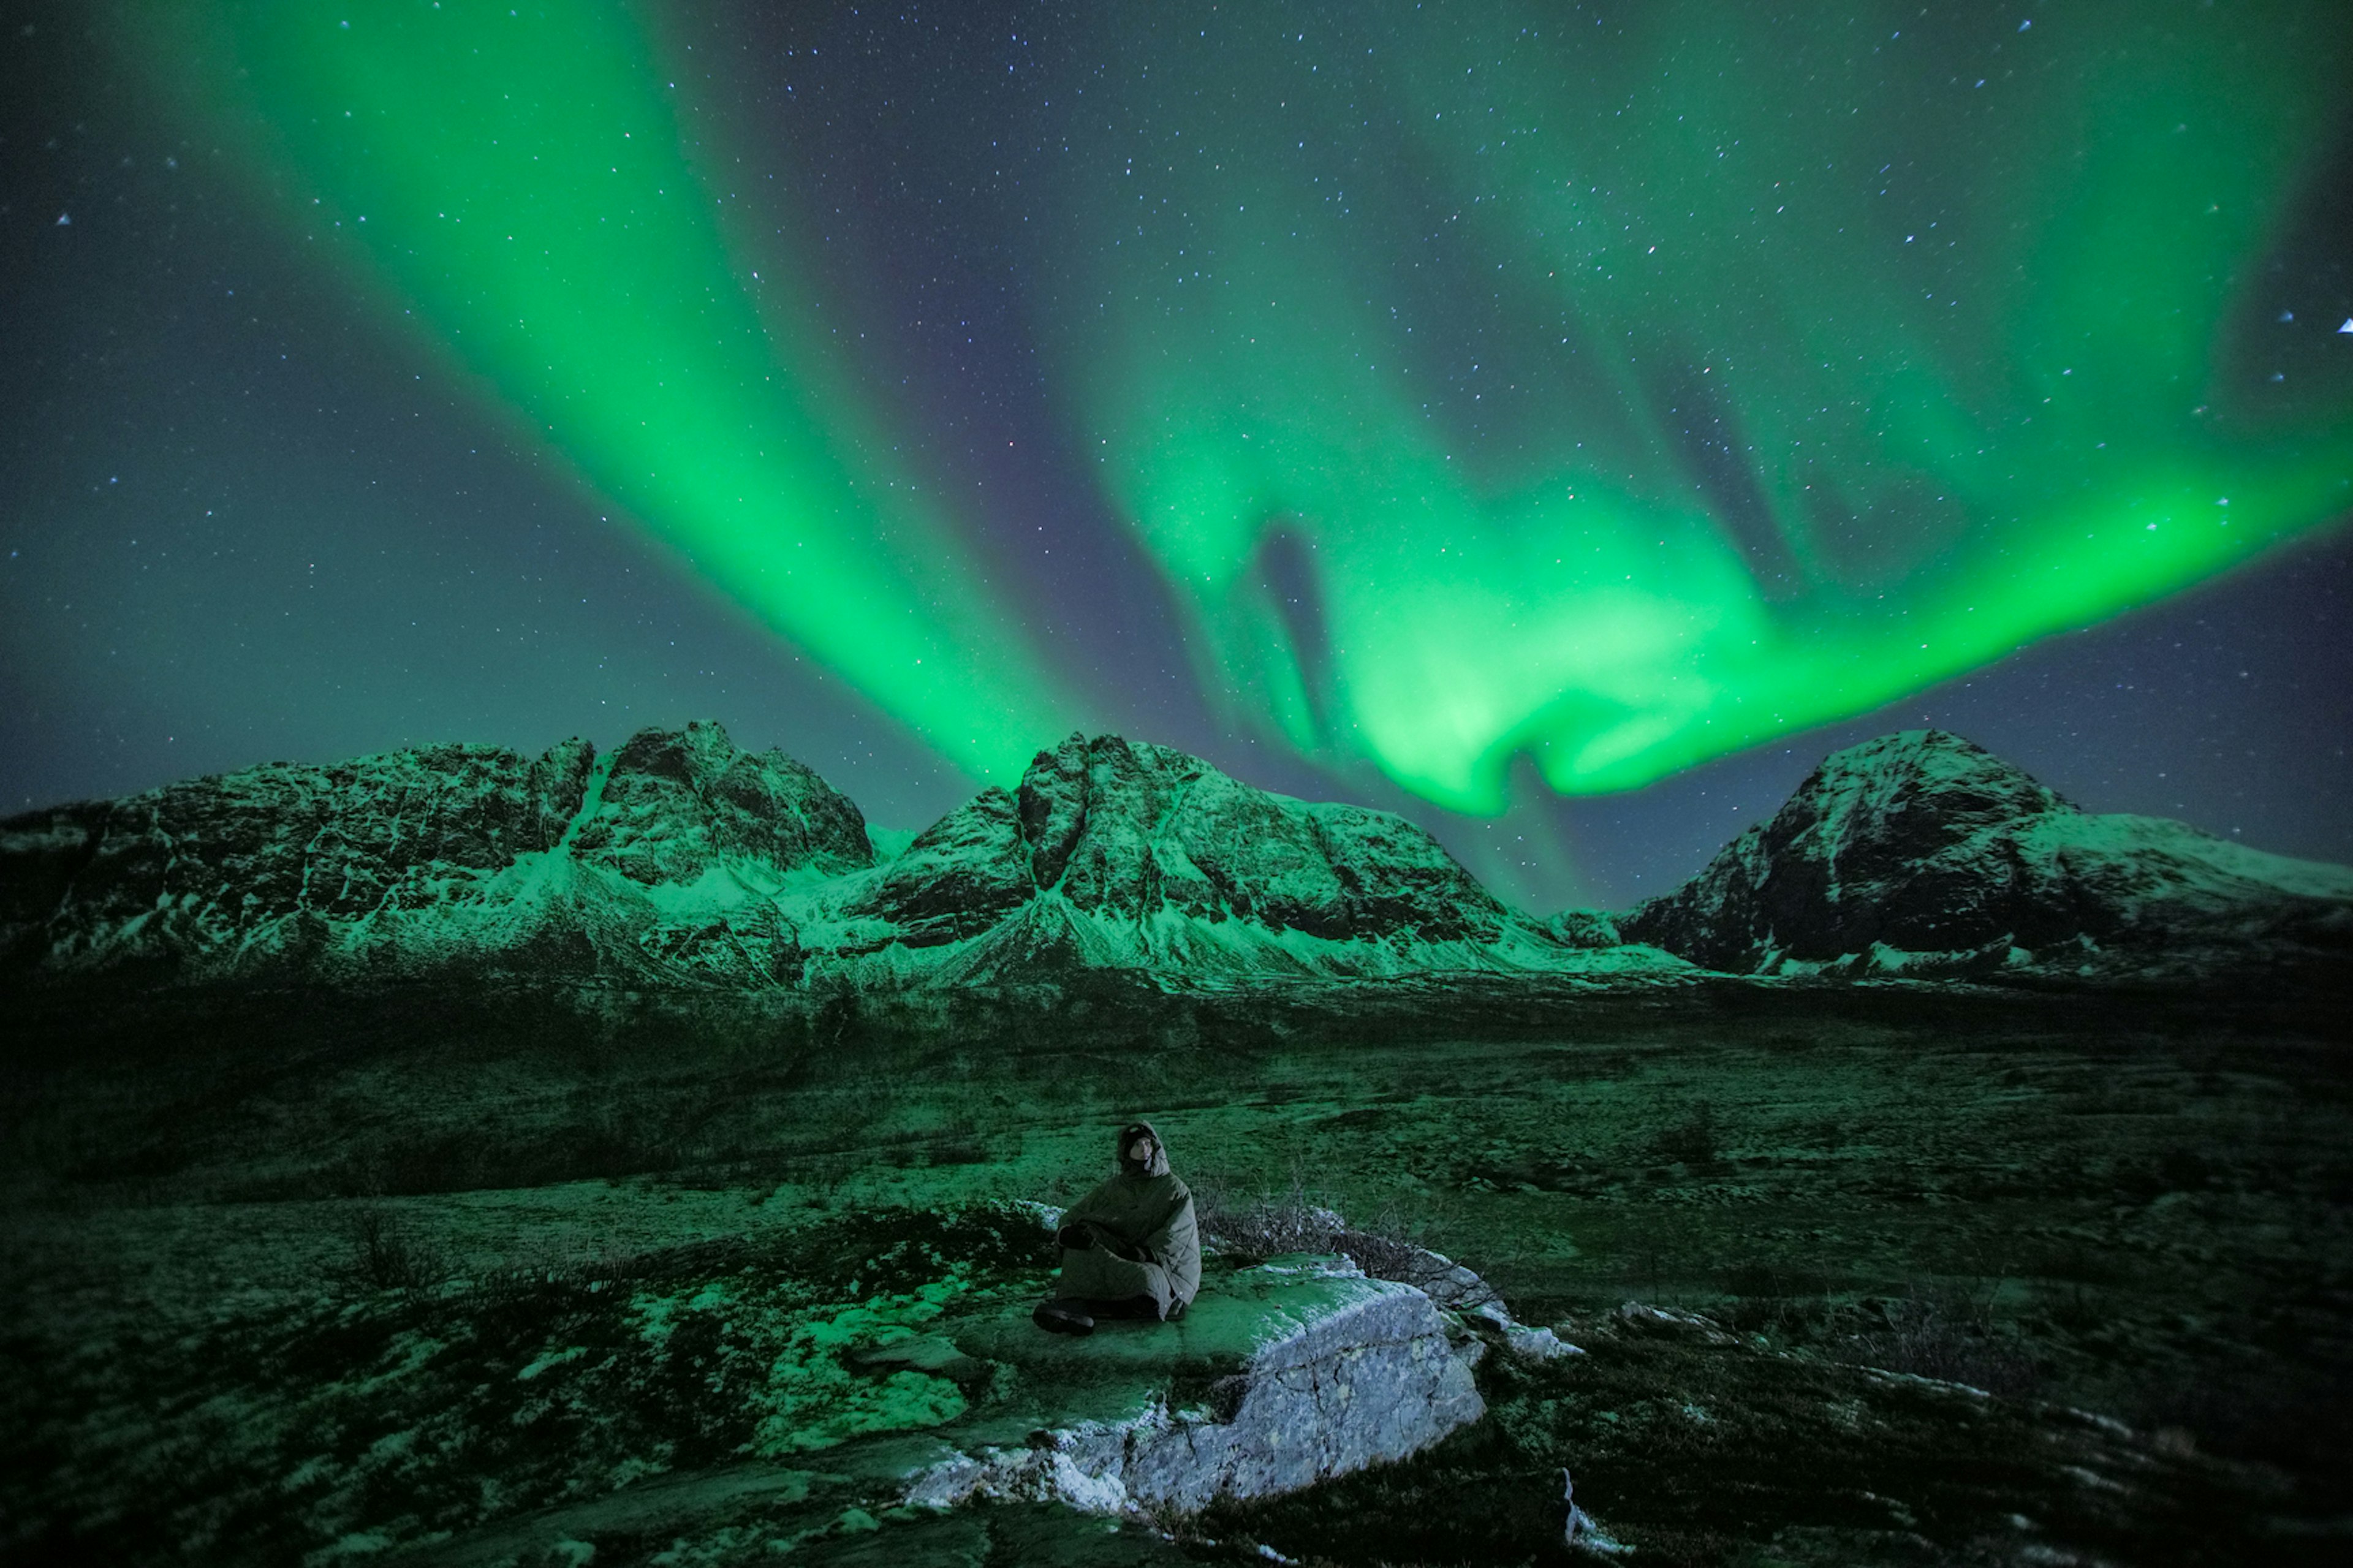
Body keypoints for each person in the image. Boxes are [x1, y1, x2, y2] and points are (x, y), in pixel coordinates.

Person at [1032, 1119, 1201, 1336]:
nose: (1144, 1150)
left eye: (1147, 1144)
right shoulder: (1114, 1188)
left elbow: (1179, 1233)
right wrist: (1067, 1233)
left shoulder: (1175, 1189)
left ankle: (1091, 1307)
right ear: (1126, 1151)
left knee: (1145, 1281)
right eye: (1137, 1146)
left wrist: (1147, 1252)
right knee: (1079, 1244)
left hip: (1160, 1263)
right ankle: (1075, 1308)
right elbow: (1075, 1215)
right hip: (1121, 1254)